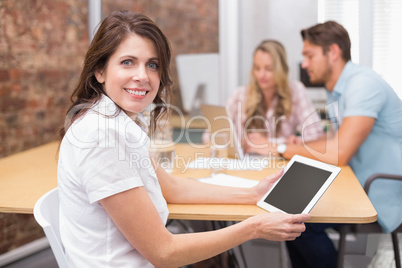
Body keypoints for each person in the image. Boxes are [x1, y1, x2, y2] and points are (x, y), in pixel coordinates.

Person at [57, 10, 310, 267]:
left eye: (152, 65)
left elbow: (173, 188)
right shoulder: (101, 138)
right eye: (127, 62)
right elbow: (164, 252)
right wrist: (254, 228)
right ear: (100, 71)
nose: (143, 76)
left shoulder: (116, 123)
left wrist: (253, 193)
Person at [248, 21, 402, 268]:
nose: (304, 63)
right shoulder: (340, 88)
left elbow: (338, 153)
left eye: (309, 55)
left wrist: (276, 148)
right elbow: (338, 138)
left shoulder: (363, 85)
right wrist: (304, 143)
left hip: (382, 190)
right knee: (291, 216)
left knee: (298, 222)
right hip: (357, 183)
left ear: (333, 52)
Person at [223, 40, 323, 154]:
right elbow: (209, 137)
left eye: (269, 69)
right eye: (257, 68)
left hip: (278, 164)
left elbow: (316, 137)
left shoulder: (295, 91)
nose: (261, 75)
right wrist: (240, 143)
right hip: (245, 166)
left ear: (281, 69)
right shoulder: (239, 94)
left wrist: (268, 144)